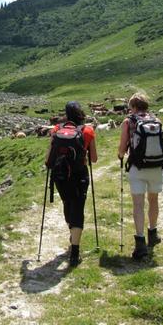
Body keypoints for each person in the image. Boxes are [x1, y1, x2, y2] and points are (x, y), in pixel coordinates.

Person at [46, 101, 98, 267]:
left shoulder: (56, 130)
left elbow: (48, 158)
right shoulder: (88, 131)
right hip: (79, 175)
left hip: (60, 176)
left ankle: (72, 233)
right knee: (78, 208)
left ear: (66, 114)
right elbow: (94, 159)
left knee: (67, 204)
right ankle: (75, 251)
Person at [118, 93, 163, 259]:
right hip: (156, 165)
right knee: (154, 199)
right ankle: (153, 232)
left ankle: (140, 243)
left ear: (133, 107)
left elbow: (122, 148)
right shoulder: (157, 121)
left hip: (138, 167)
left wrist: (120, 155)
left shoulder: (128, 121)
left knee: (138, 203)